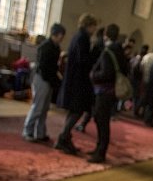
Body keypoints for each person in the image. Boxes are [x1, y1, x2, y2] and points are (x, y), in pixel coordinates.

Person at [55, 12, 98, 154]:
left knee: (74, 110)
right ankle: (63, 138)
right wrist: (95, 53)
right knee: (78, 110)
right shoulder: (82, 38)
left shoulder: (78, 36)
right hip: (78, 81)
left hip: (74, 80)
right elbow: (83, 60)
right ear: (88, 25)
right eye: (94, 27)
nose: (94, 30)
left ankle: (65, 138)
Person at [87, 23, 129, 163]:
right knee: (103, 121)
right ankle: (99, 148)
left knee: (102, 121)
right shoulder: (120, 51)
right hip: (112, 92)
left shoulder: (108, 51)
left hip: (104, 91)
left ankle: (100, 152)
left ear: (106, 34)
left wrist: (93, 75)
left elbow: (106, 73)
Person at [21, 23, 65, 143]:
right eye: (61, 35)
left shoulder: (56, 47)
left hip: (48, 80)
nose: (62, 37)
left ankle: (40, 133)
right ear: (56, 34)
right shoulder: (45, 47)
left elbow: (53, 68)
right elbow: (44, 68)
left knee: (44, 108)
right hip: (42, 79)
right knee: (38, 107)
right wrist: (55, 81)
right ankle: (27, 131)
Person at [76, 26, 105, 132]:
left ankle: (83, 123)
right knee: (92, 104)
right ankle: (84, 123)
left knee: (91, 104)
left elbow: (92, 60)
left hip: (95, 77)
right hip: (101, 79)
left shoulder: (98, 45)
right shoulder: (104, 45)